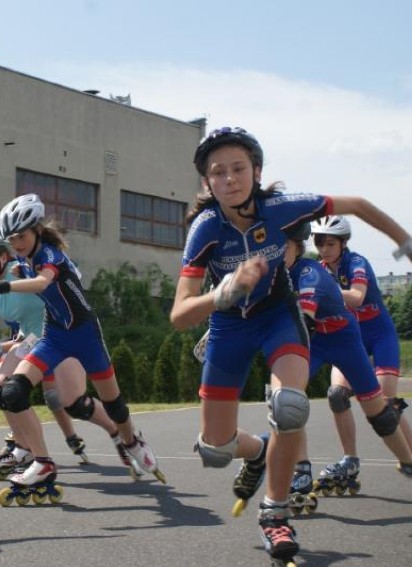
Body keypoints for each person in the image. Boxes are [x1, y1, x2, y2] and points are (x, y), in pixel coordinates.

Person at [169, 126, 412, 562]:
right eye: (217, 173)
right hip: (228, 327)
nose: (229, 179)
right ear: (207, 182)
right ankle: (259, 451)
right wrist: (222, 293)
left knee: (290, 407)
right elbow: (180, 314)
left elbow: (355, 203)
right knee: (214, 450)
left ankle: (275, 513)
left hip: (279, 319)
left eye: (238, 168)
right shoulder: (205, 229)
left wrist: (404, 241)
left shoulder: (280, 209)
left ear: (256, 171)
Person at [0, 194, 164, 497]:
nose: (16, 243)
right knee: (12, 390)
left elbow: (43, 283)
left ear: (35, 230)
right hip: (54, 336)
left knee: (115, 405)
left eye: (21, 236)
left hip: (86, 336)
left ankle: (131, 442)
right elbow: (20, 273)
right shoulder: (23, 258)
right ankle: (43, 462)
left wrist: (3, 284)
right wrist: (10, 274)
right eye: (11, 238)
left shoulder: (50, 255)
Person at [0, 228, 139, 478]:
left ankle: (118, 433)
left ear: (4, 257)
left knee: (74, 404)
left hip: (64, 337)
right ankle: (28, 451)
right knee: (3, 386)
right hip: (33, 342)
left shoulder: (23, 271)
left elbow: (61, 279)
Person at [284, 223, 412, 512]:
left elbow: (356, 297)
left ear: (342, 244)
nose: (326, 250)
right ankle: (349, 459)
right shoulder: (313, 267)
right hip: (336, 336)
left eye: (331, 244)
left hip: (377, 336)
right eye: (321, 244)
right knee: (336, 395)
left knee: (387, 404)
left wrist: (321, 288)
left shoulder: (356, 263)